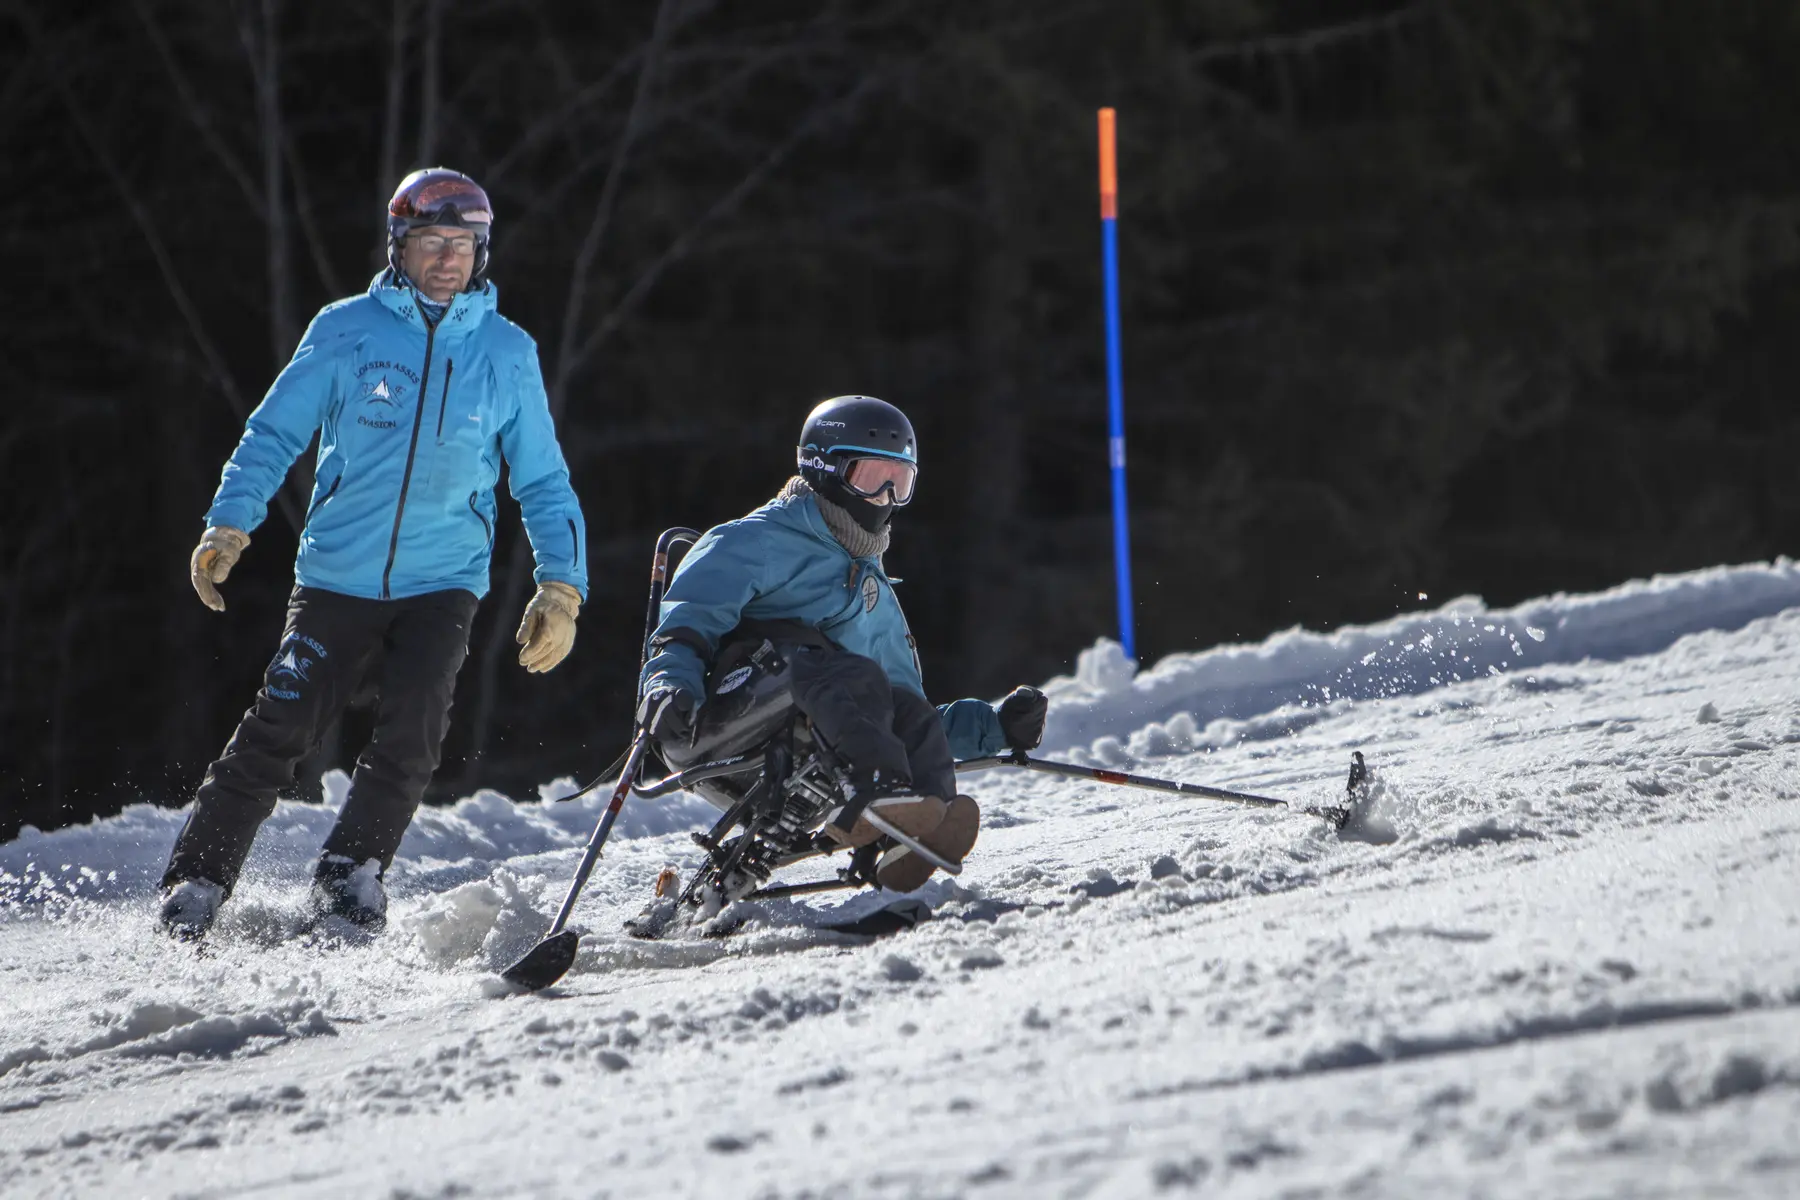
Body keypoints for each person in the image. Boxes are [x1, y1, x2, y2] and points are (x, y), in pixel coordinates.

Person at [159, 168, 589, 939]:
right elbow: (274, 432)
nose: (448, 259)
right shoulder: (346, 328)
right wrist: (229, 523)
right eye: (432, 242)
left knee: (415, 731)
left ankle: (349, 873)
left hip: (444, 580)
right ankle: (197, 879)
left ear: (482, 252)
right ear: (401, 246)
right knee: (279, 727)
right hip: (337, 574)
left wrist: (562, 587)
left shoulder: (506, 351)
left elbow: (544, 479)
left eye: (464, 244)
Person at [636, 395, 1048, 893]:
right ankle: (875, 796)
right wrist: (668, 685)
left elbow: (888, 713)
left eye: (902, 482)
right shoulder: (756, 541)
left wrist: (994, 727)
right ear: (825, 469)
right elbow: (686, 622)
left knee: (904, 709)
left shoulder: (875, 594)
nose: (887, 499)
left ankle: (906, 830)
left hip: (813, 743)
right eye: (873, 479)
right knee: (840, 669)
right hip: (714, 724)